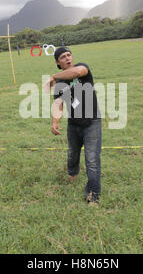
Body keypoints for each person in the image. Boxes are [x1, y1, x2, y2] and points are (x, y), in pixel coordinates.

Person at [45, 47, 102, 205]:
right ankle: (72, 174)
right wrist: (55, 122)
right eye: (63, 57)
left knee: (91, 160)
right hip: (73, 124)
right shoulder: (60, 84)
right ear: (58, 62)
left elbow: (76, 73)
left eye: (69, 55)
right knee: (72, 154)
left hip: (92, 122)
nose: (68, 58)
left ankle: (93, 196)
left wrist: (53, 77)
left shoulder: (82, 68)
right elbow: (58, 104)